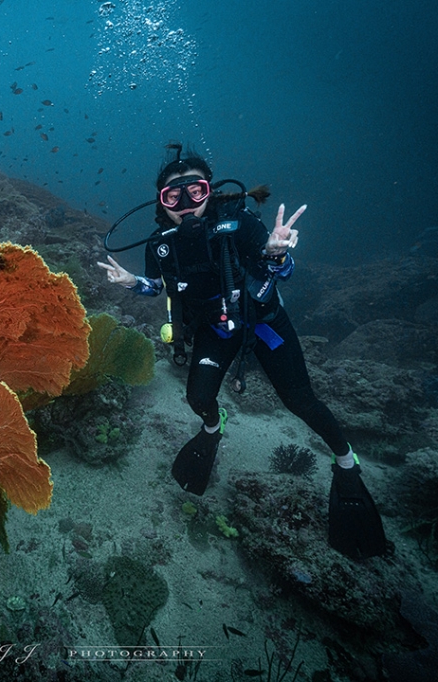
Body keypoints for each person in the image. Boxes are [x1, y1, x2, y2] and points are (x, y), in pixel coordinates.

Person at [97, 145, 387, 560]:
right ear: (163, 203)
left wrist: (278, 251)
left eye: (194, 192)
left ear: (209, 192)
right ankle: (214, 428)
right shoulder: (162, 244)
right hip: (216, 331)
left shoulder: (241, 224)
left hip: (263, 324)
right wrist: (131, 282)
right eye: (172, 196)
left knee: (301, 401)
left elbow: (279, 270)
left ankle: (346, 464)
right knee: (197, 397)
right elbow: (157, 285)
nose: (185, 205)